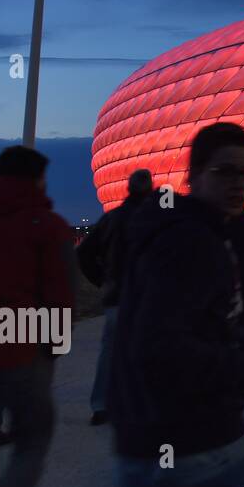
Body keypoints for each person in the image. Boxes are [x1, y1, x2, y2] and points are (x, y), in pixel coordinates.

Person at [110, 123, 244, 487]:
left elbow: (189, 321)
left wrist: (239, 339)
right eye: (225, 171)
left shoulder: (187, 229)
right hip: (195, 449)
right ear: (194, 174)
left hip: (163, 441)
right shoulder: (190, 241)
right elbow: (159, 350)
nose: (239, 183)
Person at [0, 146, 77, 487]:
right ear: (38, 179)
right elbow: (61, 293)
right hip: (21, 351)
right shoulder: (48, 226)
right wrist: (54, 348)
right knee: (32, 441)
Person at [77, 167, 153, 425]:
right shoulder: (155, 219)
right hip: (146, 298)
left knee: (109, 352)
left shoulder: (112, 218)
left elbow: (83, 253)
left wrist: (101, 280)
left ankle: (101, 406)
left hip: (116, 297)